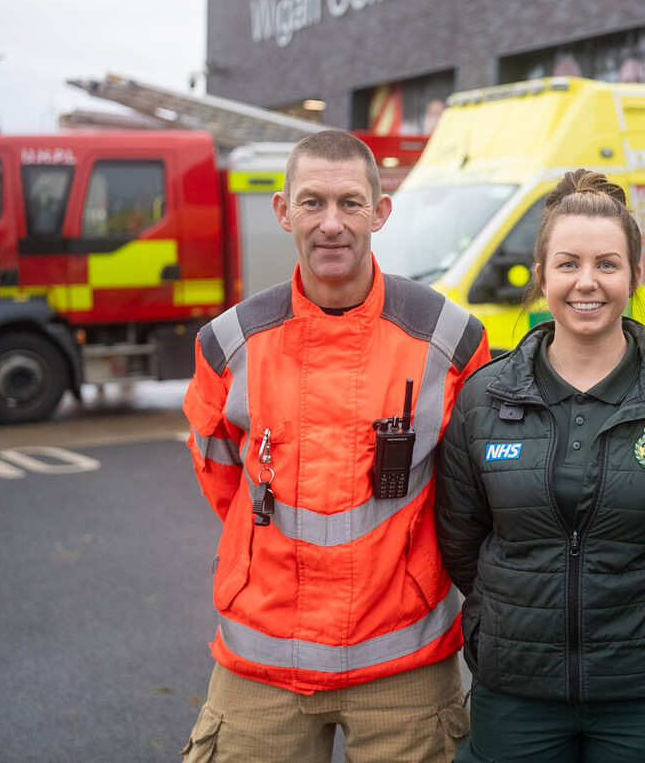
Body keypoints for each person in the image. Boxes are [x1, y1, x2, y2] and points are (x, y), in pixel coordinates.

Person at [180, 130, 490, 762]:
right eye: (312, 202)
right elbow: (219, 479)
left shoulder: (449, 340)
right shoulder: (229, 343)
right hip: (261, 662)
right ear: (282, 209)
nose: (331, 224)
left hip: (403, 661)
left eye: (350, 203)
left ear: (380, 211)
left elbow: (472, 494)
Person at [436, 169, 645, 763]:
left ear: (634, 276)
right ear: (541, 275)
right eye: (569, 263)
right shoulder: (482, 399)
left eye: (607, 264)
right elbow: (460, 541)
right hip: (516, 682)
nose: (587, 282)